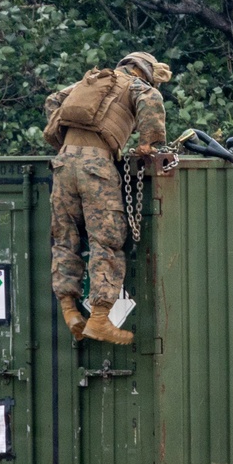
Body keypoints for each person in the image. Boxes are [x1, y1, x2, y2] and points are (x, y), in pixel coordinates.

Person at [43, 51, 171, 344]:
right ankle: (99, 319)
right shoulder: (135, 86)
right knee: (107, 241)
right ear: (144, 72)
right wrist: (148, 143)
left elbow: (52, 100)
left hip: (63, 164)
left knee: (65, 238)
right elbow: (151, 101)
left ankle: (70, 312)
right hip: (96, 168)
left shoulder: (86, 83)